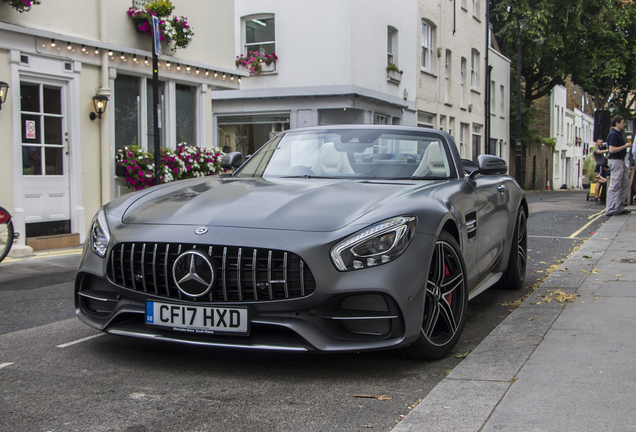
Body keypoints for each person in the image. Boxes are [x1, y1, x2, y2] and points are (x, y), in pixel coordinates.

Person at [605, 115, 632, 216]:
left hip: (621, 161)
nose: (624, 124)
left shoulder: (618, 134)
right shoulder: (613, 135)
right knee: (615, 185)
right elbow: (611, 150)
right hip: (615, 161)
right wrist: (625, 146)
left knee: (625, 184)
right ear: (617, 123)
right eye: (623, 122)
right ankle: (610, 209)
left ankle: (619, 208)